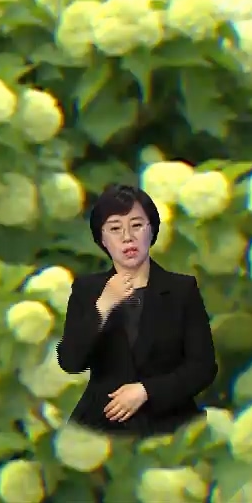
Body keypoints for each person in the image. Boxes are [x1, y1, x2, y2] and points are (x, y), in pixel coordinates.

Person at [55, 184, 216, 437]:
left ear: (152, 230)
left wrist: (146, 390)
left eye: (137, 225)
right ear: (102, 239)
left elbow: (202, 367)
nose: (127, 237)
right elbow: (70, 361)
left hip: (169, 425)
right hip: (103, 427)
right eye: (115, 229)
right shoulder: (88, 289)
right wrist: (103, 305)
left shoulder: (181, 290)